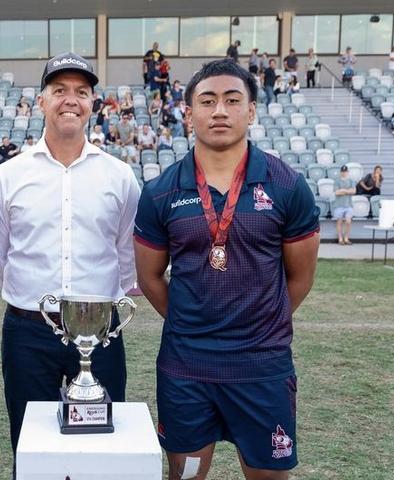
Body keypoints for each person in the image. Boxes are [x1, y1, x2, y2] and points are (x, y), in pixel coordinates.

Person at [133, 58, 320, 480]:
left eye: (232, 100)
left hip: (262, 367)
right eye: (208, 100)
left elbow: (302, 275)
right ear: (189, 112)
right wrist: (190, 321)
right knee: (186, 475)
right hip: (187, 367)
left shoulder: (286, 185)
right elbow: (148, 277)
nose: (220, 110)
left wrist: (264, 323)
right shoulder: (161, 191)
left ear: (251, 110)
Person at [0, 51, 140, 457]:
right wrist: (30, 296)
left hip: (100, 333)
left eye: (81, 92)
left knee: (103, 447)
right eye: (59, 90)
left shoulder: (119, 175)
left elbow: (127, 251)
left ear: (93, 104)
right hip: (28, 331)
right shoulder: (10, 175)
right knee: (30, 445)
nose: (71, 99)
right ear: (41, 102)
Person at [333, 165, 356, 245]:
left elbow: (353, 191)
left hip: (348, 204)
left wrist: (342, 190)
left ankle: (346, 238)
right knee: (339, 221)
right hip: (339, 204)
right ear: (340, 172)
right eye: (342, 171)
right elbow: (336, 192)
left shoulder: (351, 181)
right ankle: (340, 239)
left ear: (347, 172)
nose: (344, 173)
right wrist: (347, 191)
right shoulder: (337, 181)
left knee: (348, 221)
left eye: (345, 171)